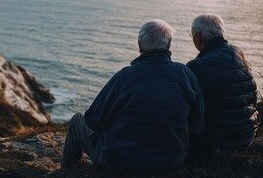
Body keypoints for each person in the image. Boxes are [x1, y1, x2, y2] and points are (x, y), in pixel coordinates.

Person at [61, 19, 205, 174]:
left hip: (120, 161)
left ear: (139, 45)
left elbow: (92, 120)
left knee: (77, 120)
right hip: (172, 160)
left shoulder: (124, 77)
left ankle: (67, 171)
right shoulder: (185, 73)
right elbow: (198, 123)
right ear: (169, 46)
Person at [187, 14, 259, 155]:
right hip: (246, 136)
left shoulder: (196, 66)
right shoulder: (239, 53)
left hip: (217, 141)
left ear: (198, 37)